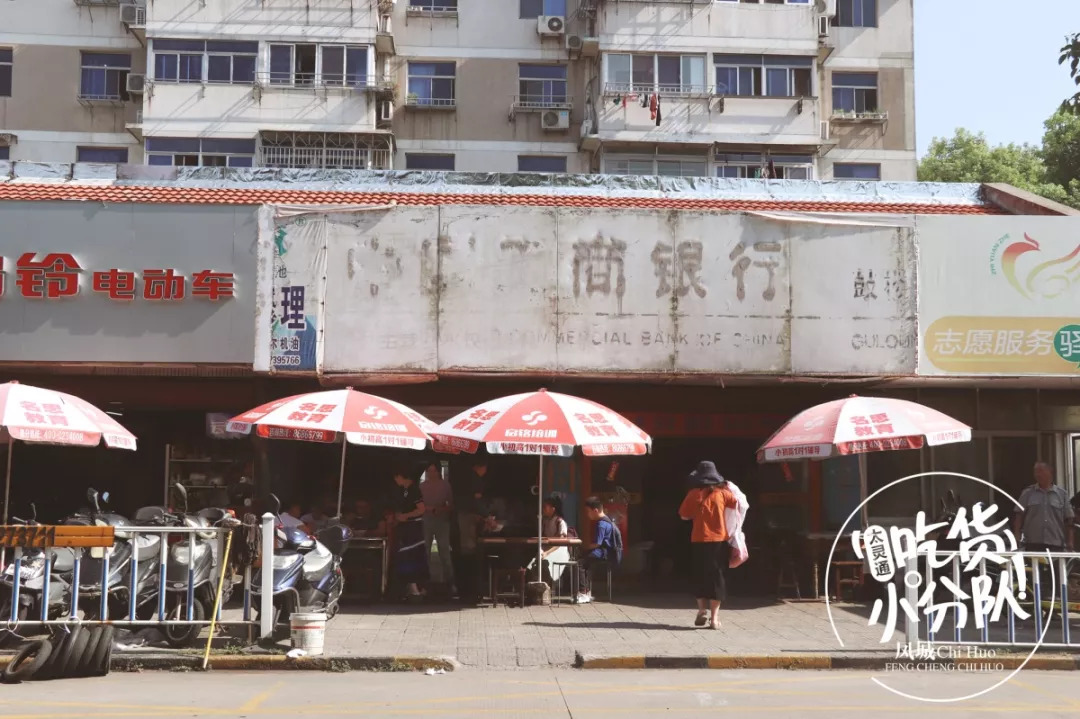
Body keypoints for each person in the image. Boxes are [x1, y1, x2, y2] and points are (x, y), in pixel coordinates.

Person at [679, 461, 738, 630]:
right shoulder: (723, 494)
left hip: (698, 540)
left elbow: (683, 516)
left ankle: (700, 610)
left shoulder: (693, 494)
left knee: (700, 575)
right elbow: (737, 505)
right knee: (717, 577)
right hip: (719, 541)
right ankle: (714, 619)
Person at [1014, 462, 1075, 553]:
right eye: (1036, 472)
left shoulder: (1062, 494)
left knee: (1054, 567)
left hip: (1056, 544)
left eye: (1041, 471)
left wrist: (1070, 542)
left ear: (1050, 472)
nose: (1038, 474)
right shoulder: (1028, 493)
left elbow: (1069, 520)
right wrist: (1017, 535)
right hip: (1032, 543)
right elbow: (1019, 516)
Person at [391, 465, 428, 600]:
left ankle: (416, 587)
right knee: (407, 555)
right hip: (406, 527)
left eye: (397, 477)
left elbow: (421, 509)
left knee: (412, 555)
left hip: (414, 528)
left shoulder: (414, 490)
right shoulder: (404, 490)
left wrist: (406, 516)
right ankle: (412, 587)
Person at [420, 461, 457, 596]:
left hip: (442, 520)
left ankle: (450, 582)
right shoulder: (422, 486)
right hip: (426, 520)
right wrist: (429, 509)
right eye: (429, 471)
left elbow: (451, 505)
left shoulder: (445, 486)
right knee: (425, 551)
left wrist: (441, 509)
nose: (431, 473)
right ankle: (425, 583)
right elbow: (419, 505)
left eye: (434, 471)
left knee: (444, 551)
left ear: (439, 472)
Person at [576, 497, 616, 605]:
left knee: (580, 563)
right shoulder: (607, 520)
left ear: (595, 510)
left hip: (603, 552)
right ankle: (587, 591)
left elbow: (597, 543)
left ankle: (583, 592)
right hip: (608, 552)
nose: (588, 515)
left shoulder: (601, 524)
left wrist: (585, 547)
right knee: (586, 564)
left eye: (588, 512)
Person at [527, 496, 570, 586]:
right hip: (546, 548)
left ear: (552, 509)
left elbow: (561, 542)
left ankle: (549, 585)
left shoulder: (560, 522)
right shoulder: (545, 521)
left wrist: (547, 552)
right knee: (534, 562)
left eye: (545, 507)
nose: (543, 509)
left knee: (544, 562)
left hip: (558, 550)